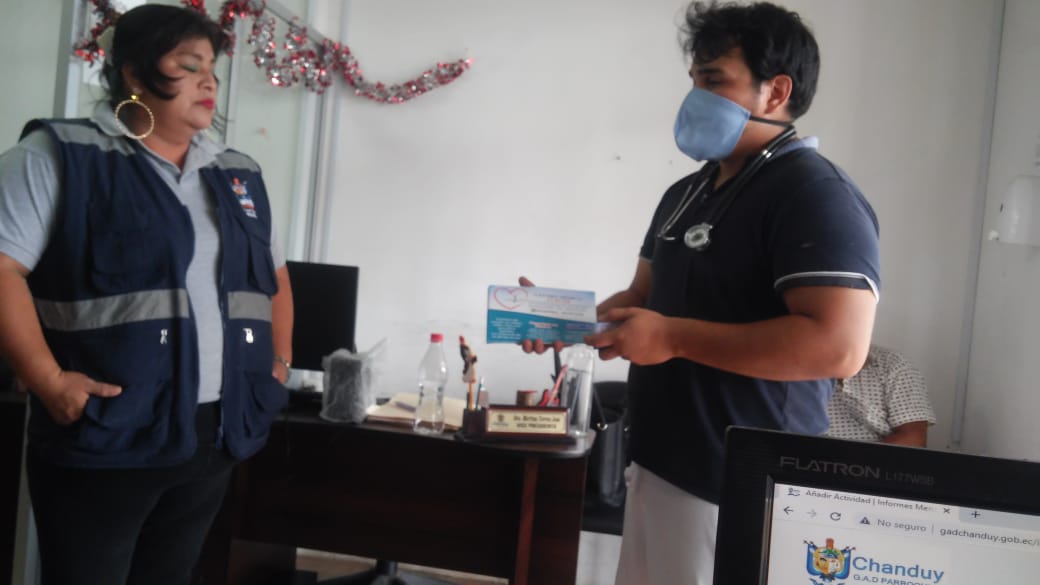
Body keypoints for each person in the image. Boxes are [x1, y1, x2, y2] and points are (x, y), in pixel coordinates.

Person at [525, 2, 880, 584]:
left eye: (715, 81)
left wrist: (672, 338)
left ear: (776, 91)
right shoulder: (686, 192)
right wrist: (564, 321)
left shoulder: (815, 194)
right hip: (658, 463)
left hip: (736, 485)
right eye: (694, 80)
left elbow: (837, 347)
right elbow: (643, 296)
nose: (695, 96)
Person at [0, 5, 293, 584]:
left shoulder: (236, 172)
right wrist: (50, 382)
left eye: (212, 68)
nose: (209, 82)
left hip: (214, 432)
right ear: (133, 73)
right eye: (189, 65)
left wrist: (278, 366)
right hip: (106, 429)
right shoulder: (60, 156)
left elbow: (275, 280)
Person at [826, 344, 936, 447]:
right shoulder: (815, 372)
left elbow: (913, 440)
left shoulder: (891, 364)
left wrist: (849, 458)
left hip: (880, 459)